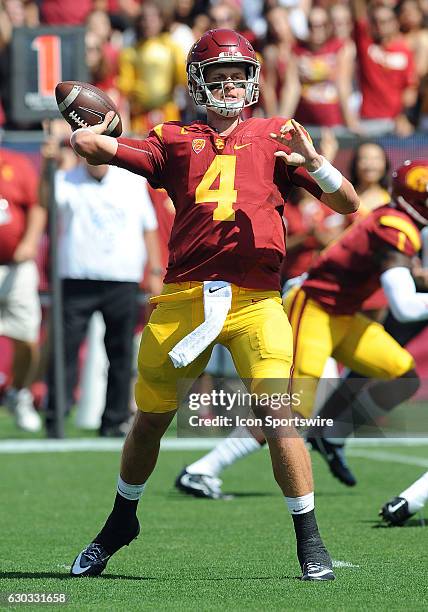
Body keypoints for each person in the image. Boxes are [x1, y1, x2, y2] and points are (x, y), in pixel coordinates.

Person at [68, 28, 358, 581]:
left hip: (255, 301)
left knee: (279, 416)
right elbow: (93, 147)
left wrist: (314, 162)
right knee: (151, 421)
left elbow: (349, 203)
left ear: (253, 80)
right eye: (218, 76)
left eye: (238, 75)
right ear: (199, 82)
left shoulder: (278, 135)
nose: (229, 86)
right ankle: (121, 519)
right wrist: (94, 130)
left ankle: (311, 540)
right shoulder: (174, 136)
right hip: (185, 300)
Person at [175, 159, 428, 496]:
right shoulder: (395, 227)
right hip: (313, 309)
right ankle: (201, 469)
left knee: (403, 377)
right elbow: (406, 306)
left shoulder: (393, 218)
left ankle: (332, 434)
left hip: (342, 314)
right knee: (290, 406)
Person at [41, 145, 163, 438]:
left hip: (121, 278)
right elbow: (46, 204)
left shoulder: (132, 183)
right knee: (65, 350)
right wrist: (47, 169)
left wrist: (156, 272)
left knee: (120, 353)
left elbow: (149, 228)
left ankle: (114, 420)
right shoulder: (65, 179)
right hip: (76, 277)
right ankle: (56, 416)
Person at [0, 144, 46, 432]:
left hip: (16, 266)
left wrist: (29, 242)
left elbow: (37, 205)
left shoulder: (16, 162)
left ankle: (20, 393)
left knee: (28, 337)